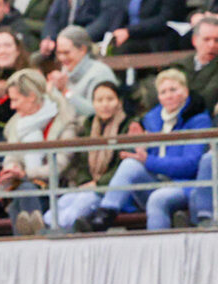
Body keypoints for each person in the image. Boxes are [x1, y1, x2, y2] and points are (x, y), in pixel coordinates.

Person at [81, 69, 211, 232]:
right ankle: (106, 213)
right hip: (157, 180)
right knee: (130, 164)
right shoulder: (151, 119)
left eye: (173, 90)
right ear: (158, 97)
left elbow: (191, 165)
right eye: (163, 92)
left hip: (183, 184)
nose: (168, 95)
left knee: (158, 199)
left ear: (185, 91)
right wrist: (139, 148)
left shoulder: (199, 120)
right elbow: (141, 157)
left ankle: (159, 248)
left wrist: (148, 160)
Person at [42, 81, 137, 230]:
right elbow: (82, 162)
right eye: (99, 100)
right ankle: (43, 224)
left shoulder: (129, 125)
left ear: (119, 102)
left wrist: (98, 184)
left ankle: (52, 230)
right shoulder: (89, 124)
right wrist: (86, 181)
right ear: (93, 103)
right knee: (64, 201)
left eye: (110, 99)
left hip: (110, 190)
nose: (105, 104)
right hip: (89, 185)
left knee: (82, 203)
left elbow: (122, 166)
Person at [0, 68, 76, 235]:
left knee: (23, 192)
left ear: (32, 96)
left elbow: (60, 166)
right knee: (23, 191)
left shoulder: (64, 122)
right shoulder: (16, 124)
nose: (12, 106)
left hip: (57, 188)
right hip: (27, 186)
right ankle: (36, 237)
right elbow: (11, 157)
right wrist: (13, 168)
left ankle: (27, 242)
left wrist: (25, 173)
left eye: (15, 100)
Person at [45, 26, 116, 118]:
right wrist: (51, 91)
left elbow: (96, 112)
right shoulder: (65, 71)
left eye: (66, 53)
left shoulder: (100, 73)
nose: (62, 58)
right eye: (59, 53)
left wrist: (65, 92)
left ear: (82, 49)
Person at [171, 17, 218, 115]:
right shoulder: (179, 66)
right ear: (194, 40)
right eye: (206, 39)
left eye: (216, 40)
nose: (212, 45)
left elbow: (208, 99)